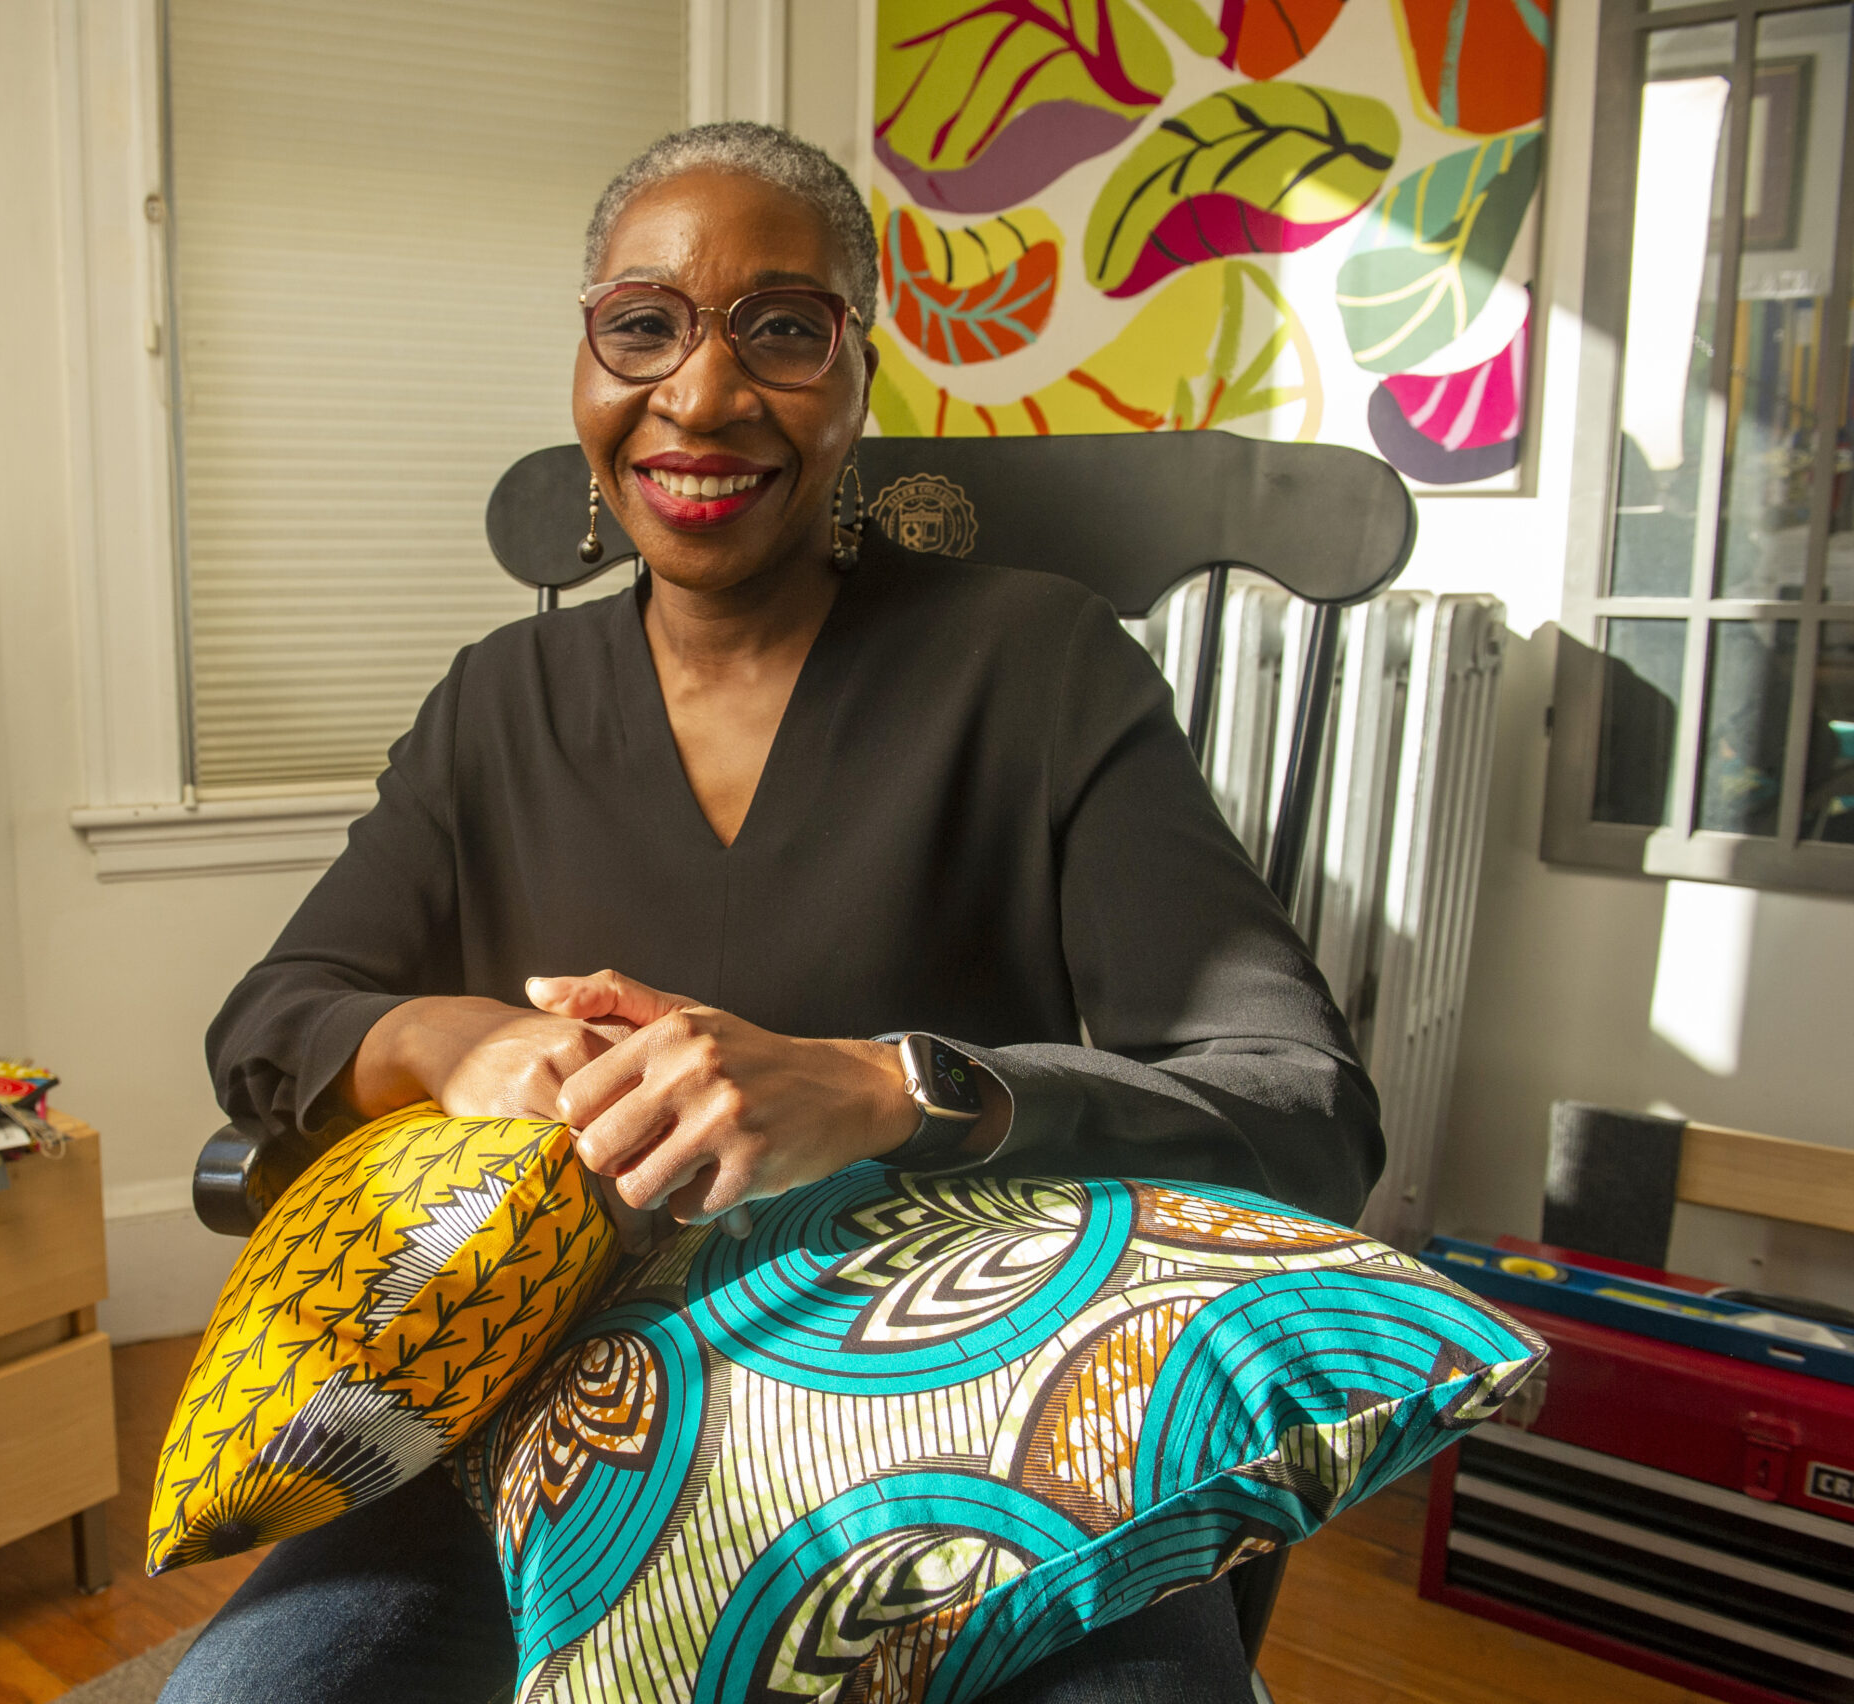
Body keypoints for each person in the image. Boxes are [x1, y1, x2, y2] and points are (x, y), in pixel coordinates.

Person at [166, 123, 1381, 1704]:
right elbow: (273, 1015)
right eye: (645, 326)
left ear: (860, 376)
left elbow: (1302, 1108)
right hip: (548, 1424)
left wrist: (893, 1087)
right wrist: (448, 1043)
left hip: (982, 1428)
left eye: (784, 330)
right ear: (588, 369)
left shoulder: (1037, 665)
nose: (704, 395)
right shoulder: (499, 699)